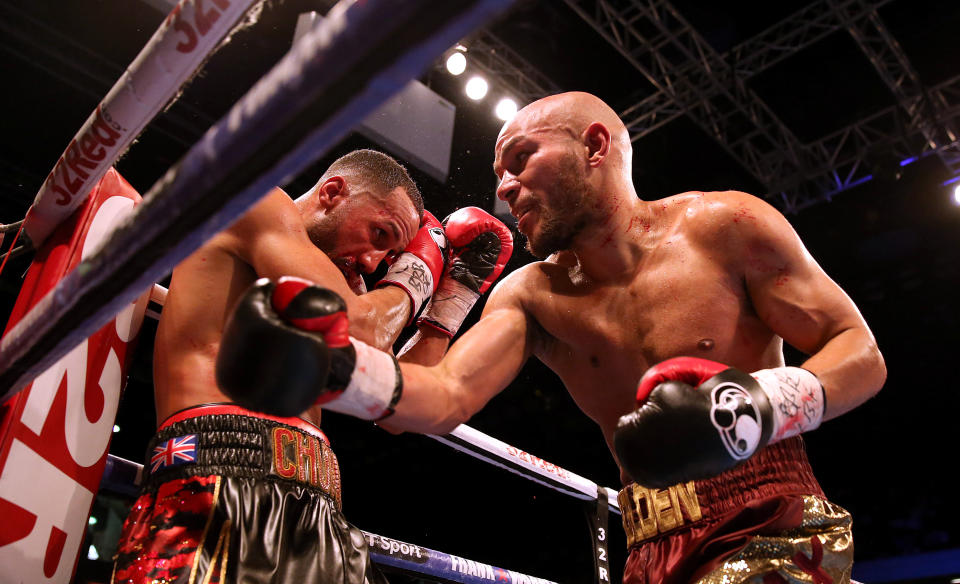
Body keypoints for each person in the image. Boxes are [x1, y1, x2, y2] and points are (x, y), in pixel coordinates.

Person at [218, 93, 886, 583]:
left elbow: (859, 350)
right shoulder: (530, 295)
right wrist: (334, 369)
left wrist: (756, 406)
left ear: (595, 147)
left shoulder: (727, 227)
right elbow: (443, 393)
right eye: (499, 175)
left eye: (520, 160)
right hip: (650, 545)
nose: (505, 188)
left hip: (769, 518)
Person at [111, 148, 513, 584]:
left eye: (391, 256)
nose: (373, 263)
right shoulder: (258, 202)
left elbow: (403, 411)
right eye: (379, 234)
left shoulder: (345, 288)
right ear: (333, 192)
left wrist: (452, 301)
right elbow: (364, 330)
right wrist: (420, 269)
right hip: (222, 479)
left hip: (320, 507)